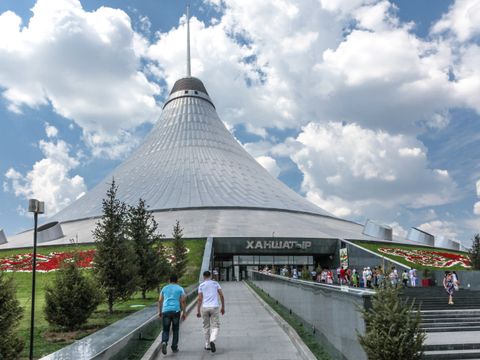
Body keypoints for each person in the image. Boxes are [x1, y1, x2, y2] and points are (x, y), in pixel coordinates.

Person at [197, 270, 226, 352]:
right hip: (214, 307)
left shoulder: (201, 285)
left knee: (206, 326)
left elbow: (199, 299)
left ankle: (207, 345)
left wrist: (198, 311)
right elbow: (222, 295)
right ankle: (212, 340)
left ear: (203, 276)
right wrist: (223, 307)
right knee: (215, 325)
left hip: (205, 307)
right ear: (210, 276)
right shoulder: (215, 283)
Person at [158, 274, 186, 355]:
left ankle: (164, 342)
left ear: (169, 280)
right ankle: (174, 347)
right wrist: (184, 313)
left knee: (165, 329)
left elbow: (160, 301)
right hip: (176, 311)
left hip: (166, 311)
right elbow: (183, 301)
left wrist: (159, 312)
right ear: (177, 280)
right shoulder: (180, 288)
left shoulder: (164, 288)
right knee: (175, 329)